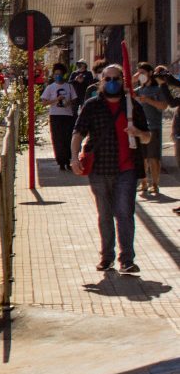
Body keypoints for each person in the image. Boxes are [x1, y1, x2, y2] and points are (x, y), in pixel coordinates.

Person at [71, 64, 151, 274]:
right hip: (99, 169)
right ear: (102, 82)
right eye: (108, 79)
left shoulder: (132, 106)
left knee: (124, 213)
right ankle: (107, 257)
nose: (112, 82)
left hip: (127, 170)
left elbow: (148, 136)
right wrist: (74, 157)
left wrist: (137, 132)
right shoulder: (92, 106)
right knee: (105, 214)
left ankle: (126, 259)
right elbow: (78, 132)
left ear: (123, 81)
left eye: (117, 79)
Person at [133, 63, 169, 195]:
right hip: (140, 129)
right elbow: (126, 91)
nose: (140, 75)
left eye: (142, 72)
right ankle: (143, 183)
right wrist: (133, 79)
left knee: (153, 158)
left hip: (154, 127)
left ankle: (155, 183)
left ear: (149, 73)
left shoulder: (158, 89)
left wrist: (148, 100)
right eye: (138, 73)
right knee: (142, 157)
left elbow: (163, 106)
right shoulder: (139, 89)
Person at [42, 63, 79, 170]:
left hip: (67, 115)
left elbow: (74, 99)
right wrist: (56, 100)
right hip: (55, 115)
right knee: (58, 139)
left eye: (60, 74)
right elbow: (44, 102)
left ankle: (68, 160)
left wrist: (69, 103)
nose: (58, 76)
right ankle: (61, 161)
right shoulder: (50, 87)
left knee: (67, 138)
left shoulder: (69, 86)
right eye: (56, 74)